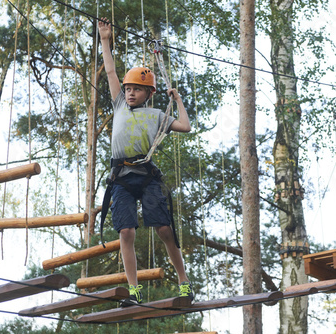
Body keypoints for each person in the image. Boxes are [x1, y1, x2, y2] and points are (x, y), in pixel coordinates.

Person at [98, 17, 193, 307]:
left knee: (164, 229)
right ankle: (134, 289)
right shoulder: (119, 105)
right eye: (128, 89)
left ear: (149, 93)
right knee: (126, 231)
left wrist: (177, 100)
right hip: (122, 178)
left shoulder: (157, 116)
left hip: (148, 176)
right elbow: (112, 70)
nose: (130, 92)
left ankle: (184, 282)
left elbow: (186, 127)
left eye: (136, 89)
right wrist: (105, 39)